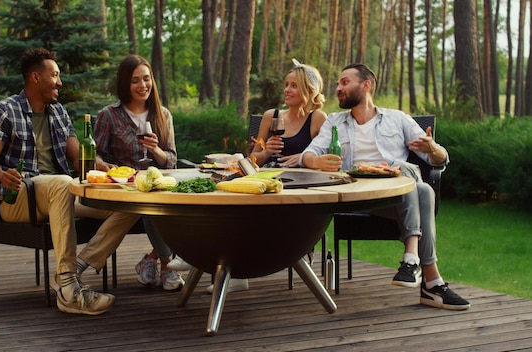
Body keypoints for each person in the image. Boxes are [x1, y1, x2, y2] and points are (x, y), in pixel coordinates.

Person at [0, 48, 140, 315]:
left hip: (60, 195)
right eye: (54, 75)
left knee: (127, 202)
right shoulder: (4, 112)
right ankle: (68, 291)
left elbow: (78, 158)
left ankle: (75, 269)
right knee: (62, 182)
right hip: (18, 198)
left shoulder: (59, 112)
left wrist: (102, 166)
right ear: (35, 78)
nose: (60, 82)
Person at [300, 63, 470, 310]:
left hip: (396, 195)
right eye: (338, 83)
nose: (338, 88)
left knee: (412, 180)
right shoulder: (335, 122)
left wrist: (432, 147)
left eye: (345, 82)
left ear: (366, 85)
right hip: (360, 197)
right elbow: (308, 154)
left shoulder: (398, 119)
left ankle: (416, 265)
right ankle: (429, 280)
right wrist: (316, 161)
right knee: (417, 185)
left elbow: (440, 159)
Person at [208, 58, 328, 294]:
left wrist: (302, 157)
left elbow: (323, 158)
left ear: (309, 90)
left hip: (298, 183)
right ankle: (225, 267)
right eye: (286, 84)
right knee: (230, 200)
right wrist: (266, 152)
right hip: (264, 177)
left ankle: (297, 253)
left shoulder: (318, 119)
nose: (287, 90)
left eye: (294, 85)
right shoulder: (271, 116)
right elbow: (253, 160)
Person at [91, 54, 185, 291]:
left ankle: (151, 260)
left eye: (146, 79)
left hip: (160, 185)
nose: (142, 85)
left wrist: (155, 150)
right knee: (149, 204)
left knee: (173, 204)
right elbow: (96, 154)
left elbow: (171, 160)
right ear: (125, 83)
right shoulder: (108, 115)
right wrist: (103, 165)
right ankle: (168, 264)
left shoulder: (163, 114)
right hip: (126, 190)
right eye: (135, 81)